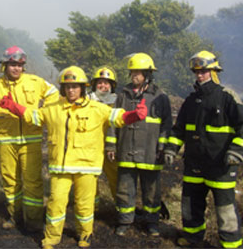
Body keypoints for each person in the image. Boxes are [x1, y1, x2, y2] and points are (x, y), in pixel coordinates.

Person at [0, 65, 147, 249]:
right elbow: (33, 117)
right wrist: (13, 107)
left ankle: (85, 235)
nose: (71, 90)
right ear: (63, 88)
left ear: (83, 88)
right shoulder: (53, 108)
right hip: (60, 168)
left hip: (87, 167)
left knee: (84, 205)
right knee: (55, 205)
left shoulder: (96, 108)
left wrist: (135, 115)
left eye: (75, 86)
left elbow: (117, 117)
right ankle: (51, 238)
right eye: (68, 87)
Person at [0, 46, 59, 232]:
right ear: (5, 65)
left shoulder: (34, 81)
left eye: (19, 65)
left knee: (33, 181)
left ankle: (34, 221)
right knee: (10, 181)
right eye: (12, 65)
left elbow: (53, 93)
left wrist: (42, 114)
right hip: (6, 140)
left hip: (31, 139)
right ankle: (14, 217)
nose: (16, 68)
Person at [164, 50, 243, 248]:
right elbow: (179, 129)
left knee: (225, 210)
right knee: (191, 204)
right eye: (197, 72)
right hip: (194, 163)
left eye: (204, 71)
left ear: (214, 71)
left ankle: (232, 244)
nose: (200, 75)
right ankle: (192, 238)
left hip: (222, 165)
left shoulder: (227, 97)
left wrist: (236, 151)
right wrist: (171, 150)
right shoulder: (190, 101)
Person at [105, 53, 172, 236]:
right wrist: (111, 146)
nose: (134, 75)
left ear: (148, 74)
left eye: (138, 72)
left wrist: (162, 147)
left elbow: (167, 124)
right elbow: (113, 122)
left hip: (151, 153)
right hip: (126, 151)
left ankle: (152, 223)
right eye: (132, 71)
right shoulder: (123, 96)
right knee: (124, 189)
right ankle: (125, 221)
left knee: (152, 191)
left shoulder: (160, 97)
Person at [88, 66, 118, 204]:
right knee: (90, 179)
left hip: (110, 148)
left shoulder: (117, 101)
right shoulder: (87, 100)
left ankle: (121, 208)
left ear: (112, 85)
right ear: (94, 85)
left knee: (116, 178)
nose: (103, 86)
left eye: (106, 83)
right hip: (91, 147)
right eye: (99, 83)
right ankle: (92, 208)